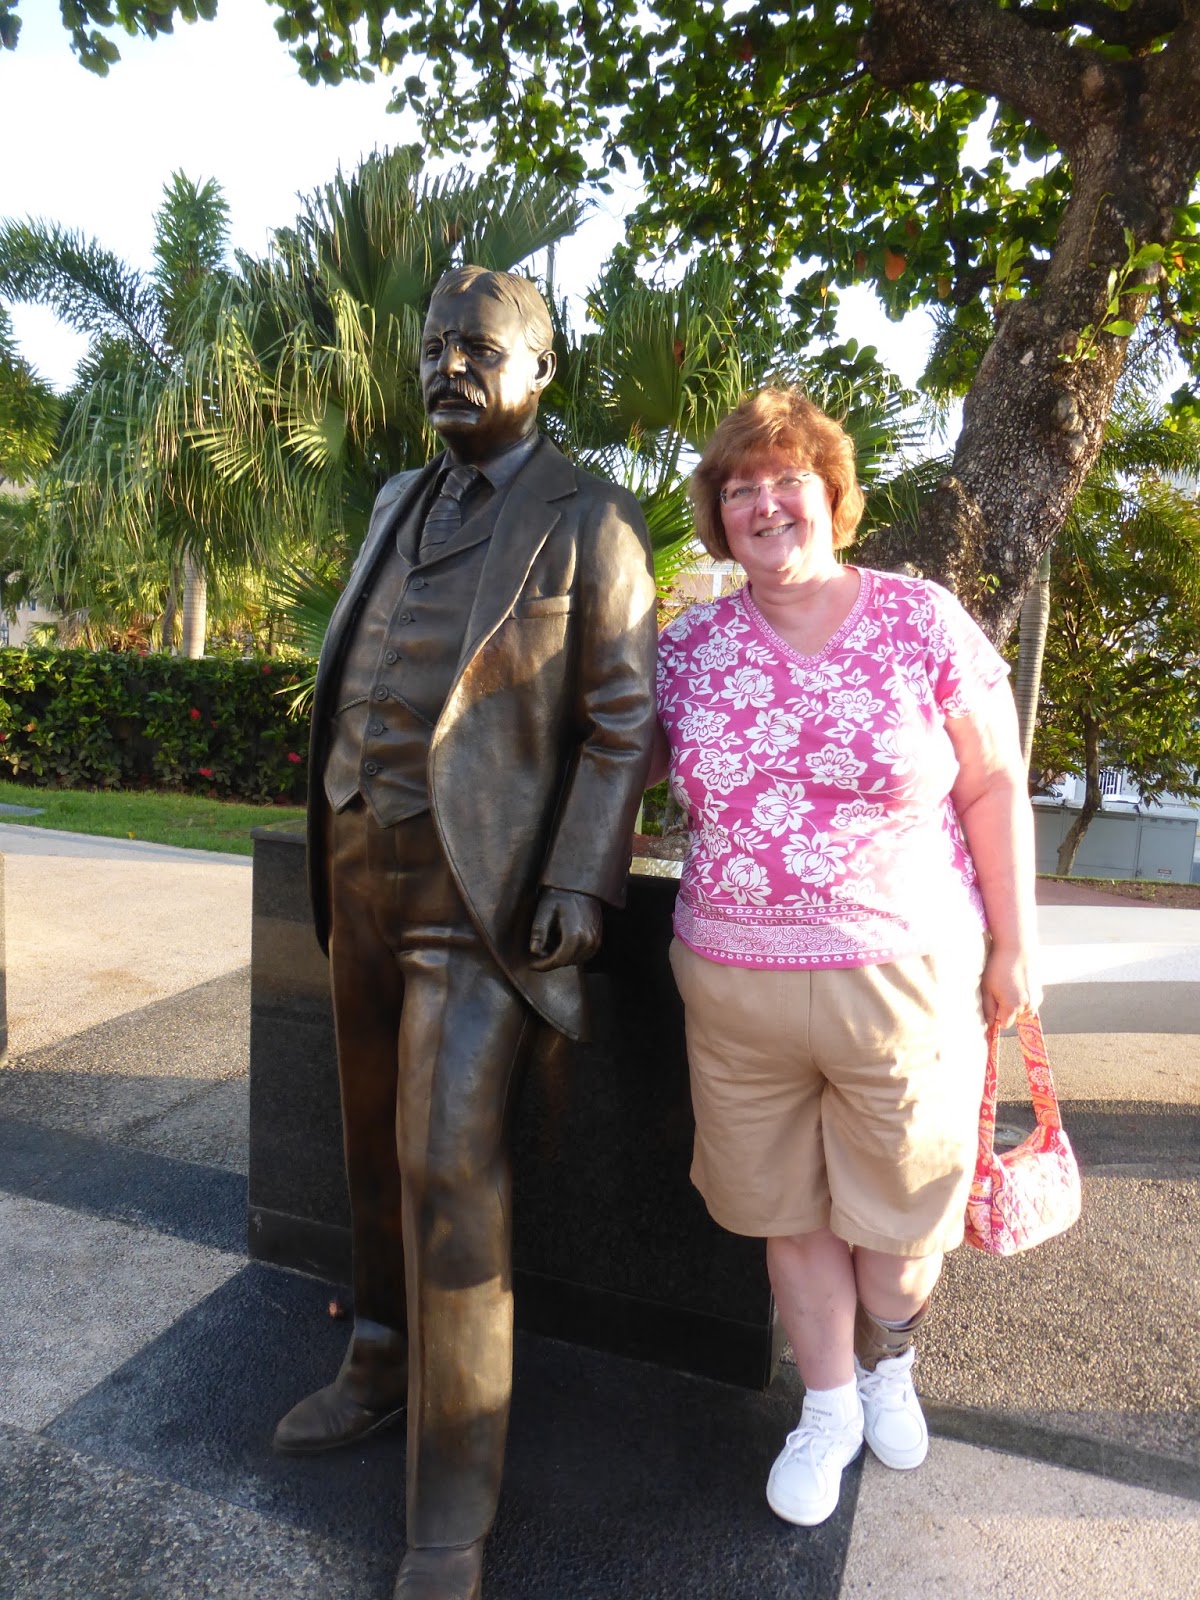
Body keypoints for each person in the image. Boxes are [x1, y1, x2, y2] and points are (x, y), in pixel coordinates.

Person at [274, 266, 657, 1600]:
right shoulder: (397, 498)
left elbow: (621, 721)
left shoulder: (590, 517)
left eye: (479, 349)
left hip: (478, 899)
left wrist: (583, 882)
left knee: (448, 1176)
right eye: (436, 346)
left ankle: (448, 1512)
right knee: (369, 1154)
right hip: (356, 867)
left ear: (540, 371)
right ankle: (381, 1359)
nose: (448, 366)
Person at [652, 387, 1040, 1528]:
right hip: (735, 989)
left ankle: (890, 1364)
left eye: (788, 480)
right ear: (719, 517)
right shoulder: (685, 648)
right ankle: (826, 1407)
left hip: (906, 981)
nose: (765, 503)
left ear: (832, 495)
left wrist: (1016, 943)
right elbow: (601, 760)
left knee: (905, 1226)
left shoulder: (921, 618)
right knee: (793, 1217)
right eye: (740, 489)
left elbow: (992, 783)